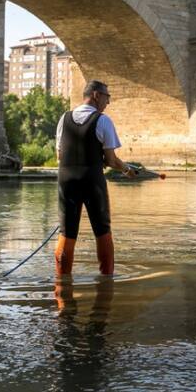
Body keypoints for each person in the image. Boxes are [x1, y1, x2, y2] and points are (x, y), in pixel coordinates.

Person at [54, 80, 136, 278]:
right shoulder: (103, 120)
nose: (108, 102)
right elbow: (111, 160)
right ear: (97, 95)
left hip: (66, 181)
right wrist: (127, 170)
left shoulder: (63, 119)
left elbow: (59, 156)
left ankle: (62, 284)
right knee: (102, 229)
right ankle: (107, 279)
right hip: (92, 180)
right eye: (107, 97)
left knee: (67, 232)